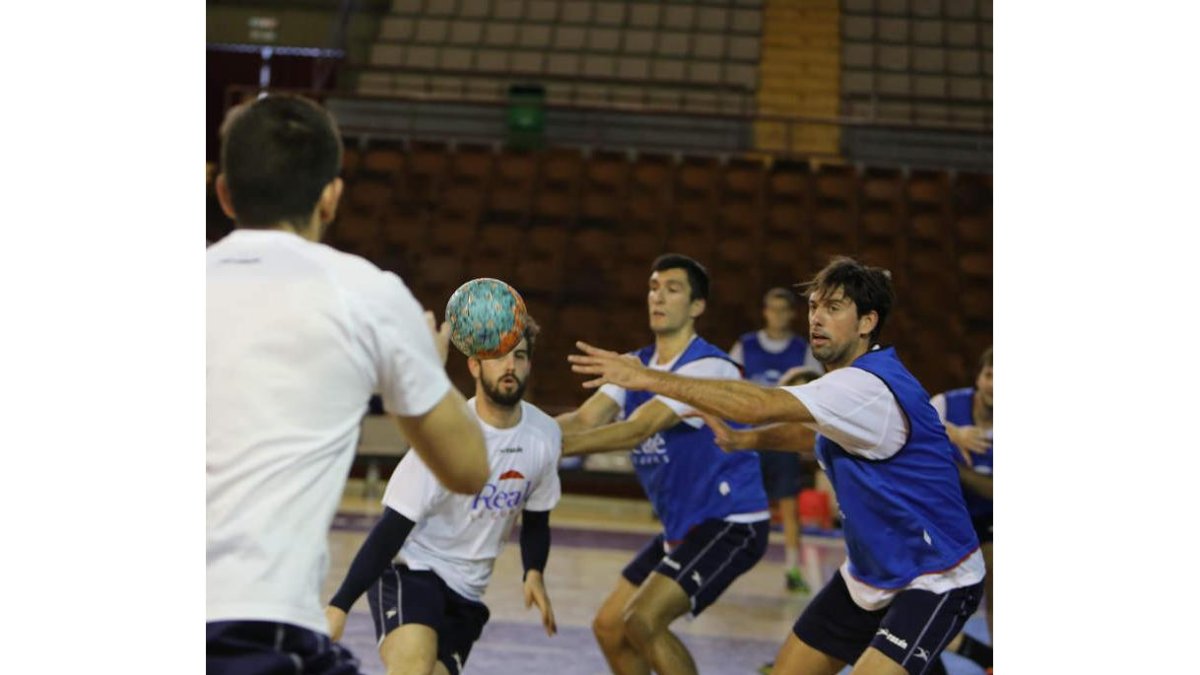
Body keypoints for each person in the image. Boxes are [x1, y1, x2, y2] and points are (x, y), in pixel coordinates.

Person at [569, 256, 985, 675]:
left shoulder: (863, 386)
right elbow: (812, 433)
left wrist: (649, 379)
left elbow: (759, 404)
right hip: (869, 575)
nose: (817, 318)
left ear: (867, 322)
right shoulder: (850, 387)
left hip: (936, 576)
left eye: (834, 308)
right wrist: (750, 440)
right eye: (814, 307)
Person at [207, 94, 489, 675]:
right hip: (253, 622)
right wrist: (429, 372)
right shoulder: (368, 296)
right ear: (331, 197)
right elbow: (467, 468)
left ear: (225, 193)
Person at [556, 253, 770, 675]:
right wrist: (515, 430)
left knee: (643, 620)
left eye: (672, 289)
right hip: (684, 527)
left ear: (696, 307)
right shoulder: (635, 365)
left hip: (732, 522)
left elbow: (639, 429)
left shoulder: (706, 366)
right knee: (609, 627)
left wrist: (549, 450)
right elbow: (583, 419)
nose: (658, 296)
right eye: (654, 287)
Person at [324, 319, 561, 675]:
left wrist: (533, 571)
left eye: (520, 356)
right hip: (413, 569)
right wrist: (340, 605)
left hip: (468, 592)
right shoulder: (447, 434)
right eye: (498, 357)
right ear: (475, 365)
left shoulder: (545, 435)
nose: (510, 366)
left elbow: (537, 518)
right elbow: (392, 527)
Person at [730, 287, 823, 594]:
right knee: (731, 502)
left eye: (784, 309)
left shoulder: (803, 350)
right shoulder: (745, 346)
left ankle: (793, 569)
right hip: (751, 437)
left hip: (784, 439)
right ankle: (720, 561)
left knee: (789, 506)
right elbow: (728, 389)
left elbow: (817, 391)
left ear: (792, 314)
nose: (778, 315)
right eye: (773, 309)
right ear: (765, 311)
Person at [931, 347, 993, 674]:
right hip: (941, 515)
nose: (995, 386)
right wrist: (952, 433)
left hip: (988, 517)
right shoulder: (947, 404)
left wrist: (957, 467)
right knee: (922, 594)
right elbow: (908, 427)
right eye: (990, 376)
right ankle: (980, 655)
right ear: (978, 378)